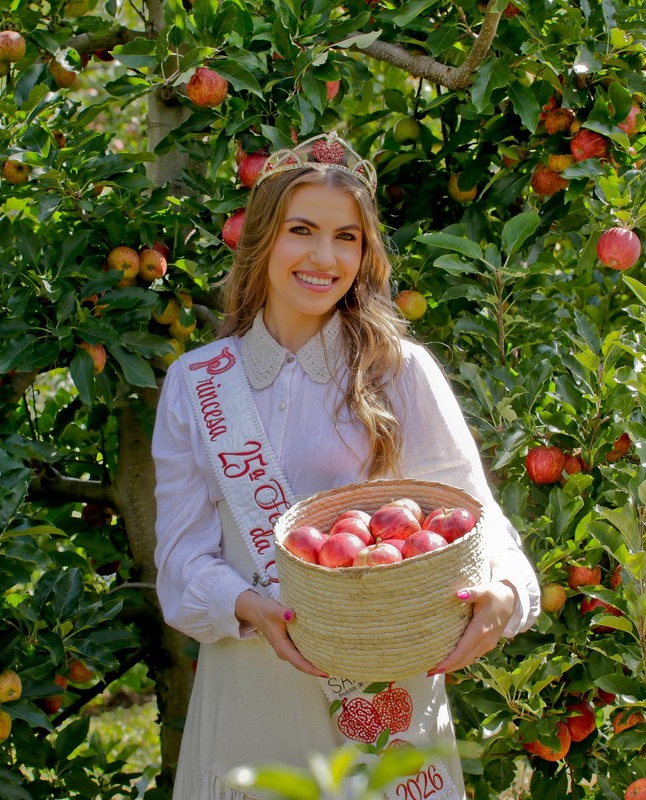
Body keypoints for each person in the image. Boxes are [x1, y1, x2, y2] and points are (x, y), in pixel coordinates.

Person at [152, 131, 541, 800]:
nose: (324, 257)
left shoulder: (399, 373)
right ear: (263, 239)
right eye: (301, 230)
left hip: (384, 694)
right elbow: (182, 558)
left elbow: (476, 520)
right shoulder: (198, 383)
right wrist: (249, 605)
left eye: (347, 238)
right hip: (253, 692)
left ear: (365, 254)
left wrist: (505, 591)